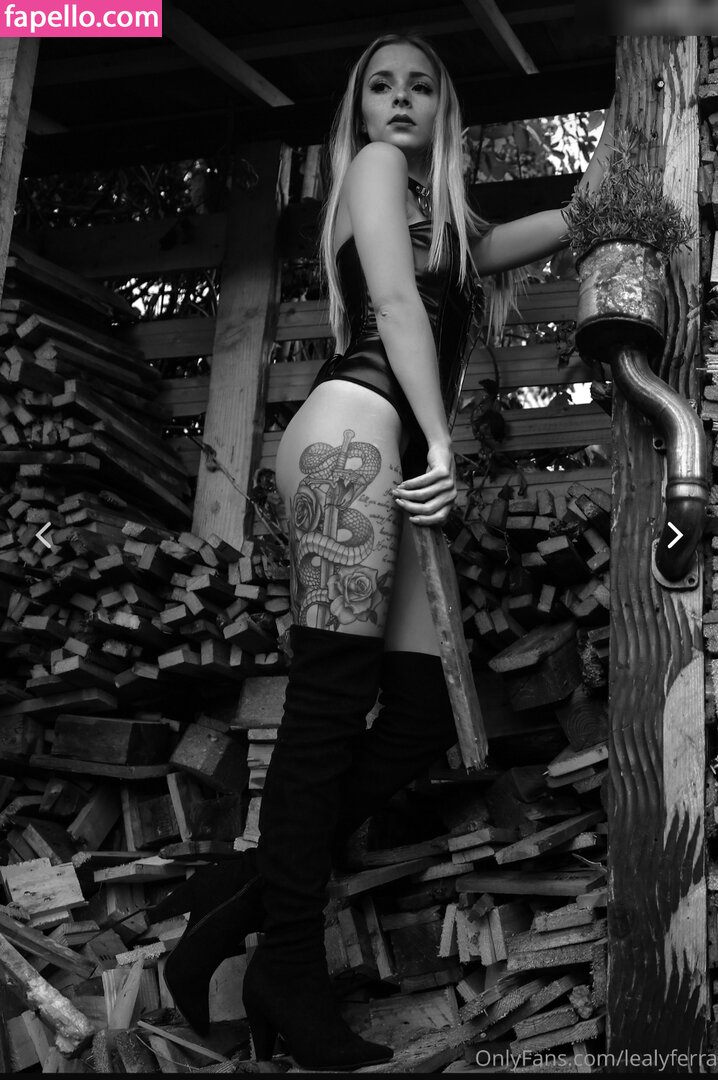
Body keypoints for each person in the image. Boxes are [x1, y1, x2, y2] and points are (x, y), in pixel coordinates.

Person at [159, 33, 614, 1071]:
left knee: (415, 712)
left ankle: (234, 901)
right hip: (358, 433)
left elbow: (534, 234)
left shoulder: (438, 219)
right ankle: (285, 965)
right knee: (329, 704)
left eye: (421, 87)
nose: (400, 101)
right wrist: (443, 442)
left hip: (387, 454)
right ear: (359, 110)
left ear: (445, 110)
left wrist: (616, 190)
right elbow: (399, 305)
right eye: (381, 86)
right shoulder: (370, 168)